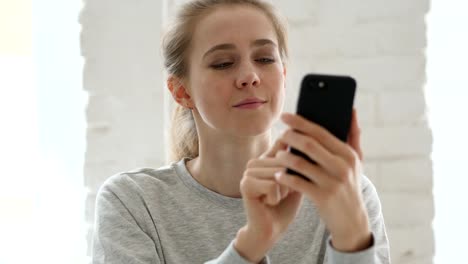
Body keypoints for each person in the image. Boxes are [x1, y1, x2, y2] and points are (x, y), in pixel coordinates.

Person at [92, 0, 391, 263]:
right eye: (223, 63)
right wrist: (252, 243)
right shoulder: (132, 203)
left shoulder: (344, 194)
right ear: (181, 90)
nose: (249, 76)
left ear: (283, 76)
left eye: (264, 59)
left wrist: (353, 242)